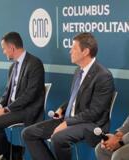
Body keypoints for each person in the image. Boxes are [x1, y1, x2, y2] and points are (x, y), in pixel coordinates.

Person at [22, 32, 115, 160]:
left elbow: (95, 112)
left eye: (74, 48)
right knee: (28, 133)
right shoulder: (78, 71)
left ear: (85, 51)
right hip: (71, 120)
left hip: (91, 124)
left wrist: (67, 123)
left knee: (58, 138)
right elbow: (76, 97)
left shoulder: (103, 76)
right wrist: (62, 108)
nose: (70, 51)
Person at [0, 32, 45, 160]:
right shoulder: (13, 67)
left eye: (4, 48)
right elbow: (6, 93)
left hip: (26, 110)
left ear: (12, 48)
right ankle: (12, 151)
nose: (4, 52)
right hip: (11, 109)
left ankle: (9, 155)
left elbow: (30, 95)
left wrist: (5, 110)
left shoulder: (34, 64)